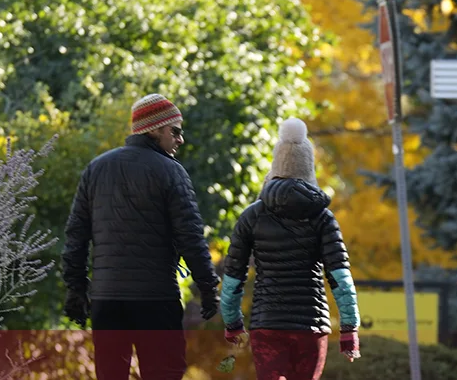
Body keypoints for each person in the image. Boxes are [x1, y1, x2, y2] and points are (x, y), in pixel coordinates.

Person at [61, 93, 220, 380]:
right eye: (176, 131)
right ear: (155, 129)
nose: (180, 140)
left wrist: (76, 288)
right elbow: (190, 236)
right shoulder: (171, 172)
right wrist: (208, 287)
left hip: (106, 300)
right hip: (156, 300)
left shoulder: (96, 169)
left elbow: (76, 235)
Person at [220, 117, 361, 380]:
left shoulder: (252, 216)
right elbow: (340, 277)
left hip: (267, 323)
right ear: (309, 167)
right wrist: (349, 328)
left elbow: (233, 276)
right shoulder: (323, 218)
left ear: (276, 165)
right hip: (311, 325)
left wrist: (232, 322)